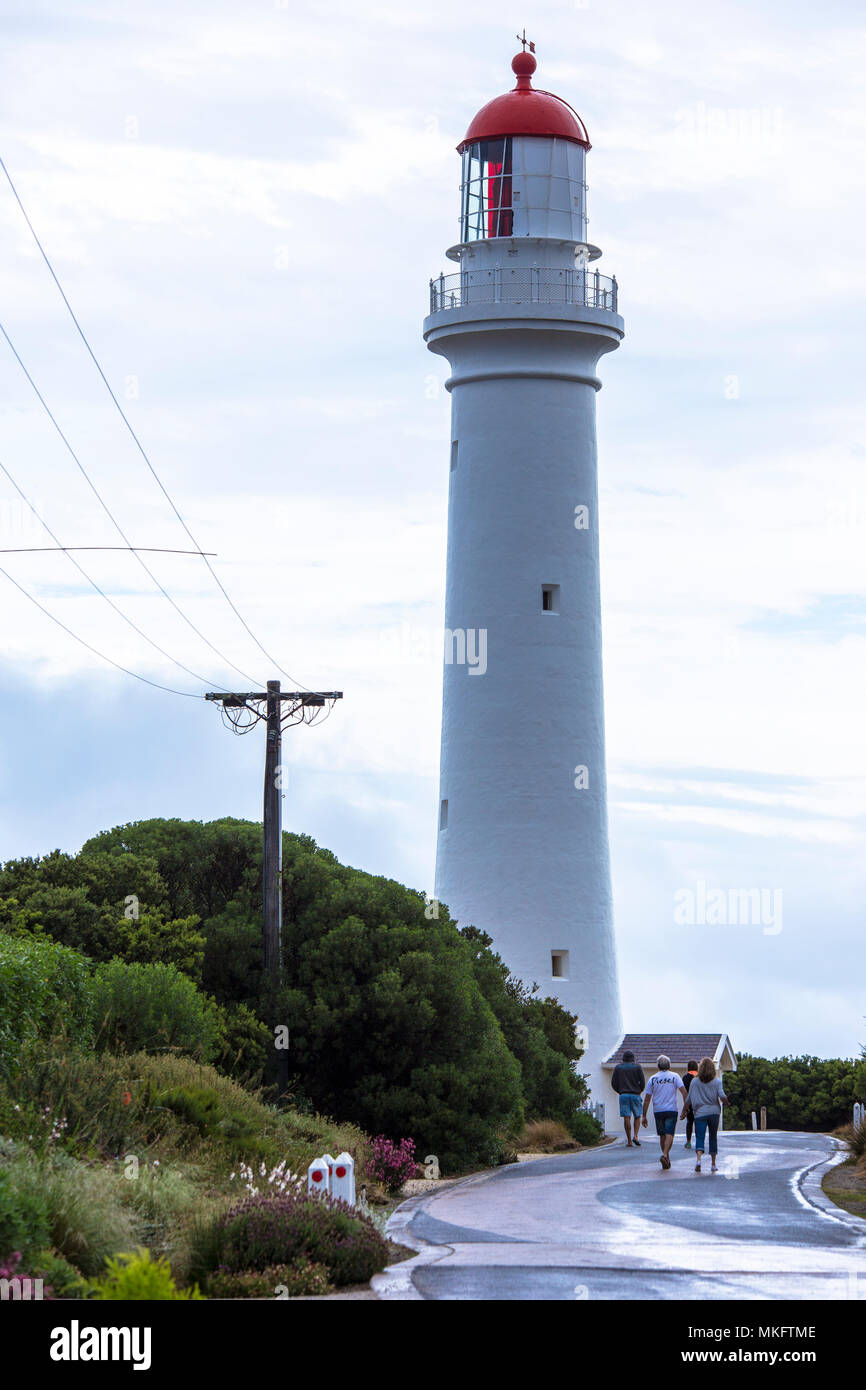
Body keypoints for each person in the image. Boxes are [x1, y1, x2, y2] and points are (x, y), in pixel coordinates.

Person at [682, 1056, 727, 1173]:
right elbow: (722, 1096)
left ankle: (698, 1160)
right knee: (713, 1136)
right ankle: (713, 1164)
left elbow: (689, 1099)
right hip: (714, 1113)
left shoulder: (694, 1081)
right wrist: (727, 1102)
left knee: (699, 1137)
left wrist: (683, 1112)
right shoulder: (717, 1082)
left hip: (699, 1113)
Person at [641, 1055, 687, 1170]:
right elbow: (684, 1092)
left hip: (658, 1110)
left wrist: (644, 1115)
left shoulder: (652, 1079)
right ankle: (665, 1155)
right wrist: (685, 1108)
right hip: (671, 1109)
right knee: (669, 1133)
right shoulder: (675, 1076)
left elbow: (647, 1099)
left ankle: (666, 1157)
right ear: (669, 1065)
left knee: (662, 1135)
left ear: (658, 1066)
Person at [610, 1049, 646, 1147]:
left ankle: (629, 1141)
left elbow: (613, 1083)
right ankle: (636, 1136)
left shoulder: (618, 1067)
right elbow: (642, 1082)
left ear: (623, 1058)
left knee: (627, 1117)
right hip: (635, 1094)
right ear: (633, 1058)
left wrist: (620, 1091)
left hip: (624, 1095)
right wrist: (639, 1091)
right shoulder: (637, 1067)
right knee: (637, 1116)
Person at [682, 1059, 699, 1149]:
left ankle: (688, 1142)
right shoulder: (699, 1077)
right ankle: (698, 1141)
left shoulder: (685, 1078)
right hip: (699, 1103)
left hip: (689, 1102)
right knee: (698, 1122)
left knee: (689, 1122)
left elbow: (684, 1091)